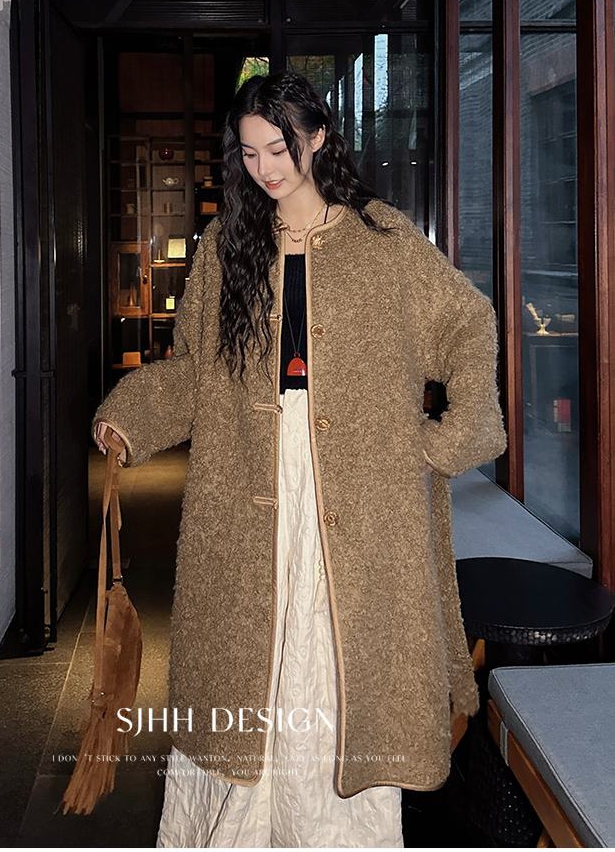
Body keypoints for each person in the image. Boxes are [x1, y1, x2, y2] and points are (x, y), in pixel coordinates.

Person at [93, 71, 507, 848]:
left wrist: (455, 435)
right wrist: (131, 416)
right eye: (248, 153)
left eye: (278, 148)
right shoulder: (226, 246)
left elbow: (469, 323)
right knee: (248, 669)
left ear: (317, 136)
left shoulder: (383, 240)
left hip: (359, 495)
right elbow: (195, 371)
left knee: (335, 663)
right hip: (247, 485)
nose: (264, 168)